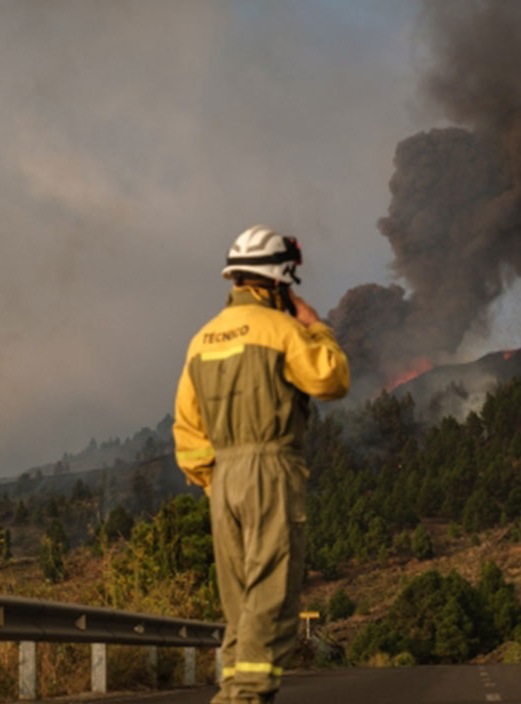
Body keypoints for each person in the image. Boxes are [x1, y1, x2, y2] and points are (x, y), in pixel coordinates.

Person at [173, 224, 350, 703]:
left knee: (240, 603)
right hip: (270, 470)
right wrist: (317, 327)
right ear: (277, 282)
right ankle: (247, 697)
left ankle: (234, 688)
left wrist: (215, 483)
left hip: (222, 481)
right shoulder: (282, 329)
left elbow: (187, 434)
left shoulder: (201, 340)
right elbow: (331, 379)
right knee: (270, 596)